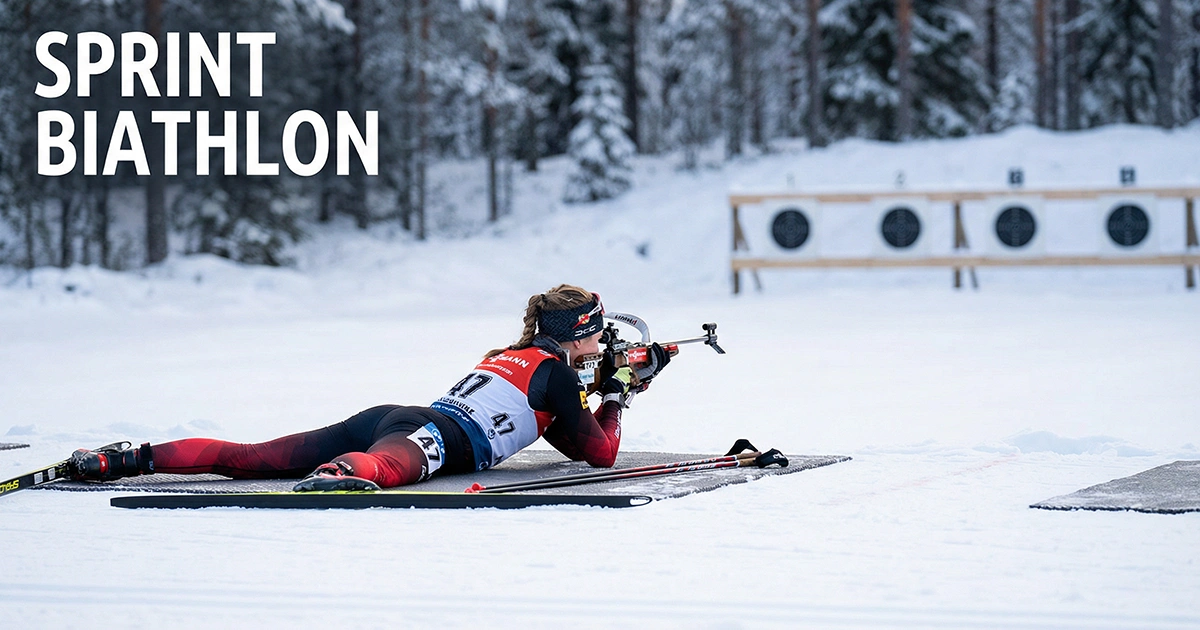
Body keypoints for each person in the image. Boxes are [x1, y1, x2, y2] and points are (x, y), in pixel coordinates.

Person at [68, 285, 671, 491]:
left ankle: (124, 457)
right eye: (598, 332)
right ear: (580, 333)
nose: (604, 339)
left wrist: (611, 384)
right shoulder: (563, 376)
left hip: (398, 412)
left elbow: (564, 428)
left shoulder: (511, 354)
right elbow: (597, 452)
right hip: (434, 435)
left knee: (251, 459)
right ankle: (340, 474)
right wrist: (620, 389)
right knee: (381, 467)